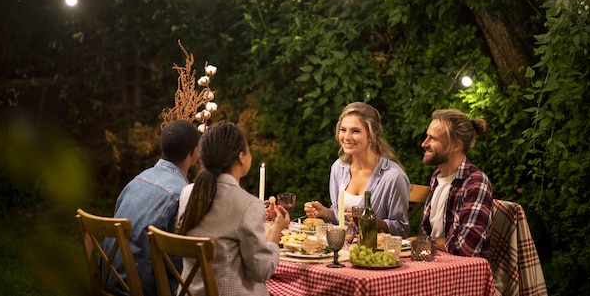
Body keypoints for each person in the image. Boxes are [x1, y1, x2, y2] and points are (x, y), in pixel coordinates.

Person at [177, 120, 290, 296]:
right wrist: (276, 230)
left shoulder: (187, 193)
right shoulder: (247, 204)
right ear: (241, 156)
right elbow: (261, 272)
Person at [102, 119, 200, 296]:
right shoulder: (181, 195)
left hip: (111, 281)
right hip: (144, 289)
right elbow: (180, 262)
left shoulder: (138, 180)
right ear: (194, 153)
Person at [303, 102, 410, 237]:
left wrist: (370, 222)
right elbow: (341, 219)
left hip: (374, 252)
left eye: (355, 131)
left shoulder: (393, 177)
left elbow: (402, 229)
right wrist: (323, 212)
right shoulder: (338, 168)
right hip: (342, 248)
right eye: (343, 130)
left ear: (371, 135)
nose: (347, 137)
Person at [418, 108, 493, 258]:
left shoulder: (475, 182)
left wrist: (423, 241)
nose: (424, 144)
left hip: (462, 275)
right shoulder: (437, 177)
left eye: (433, 138)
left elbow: (465, 248)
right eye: (427, 137)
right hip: (433, 266)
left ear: (456, 145)